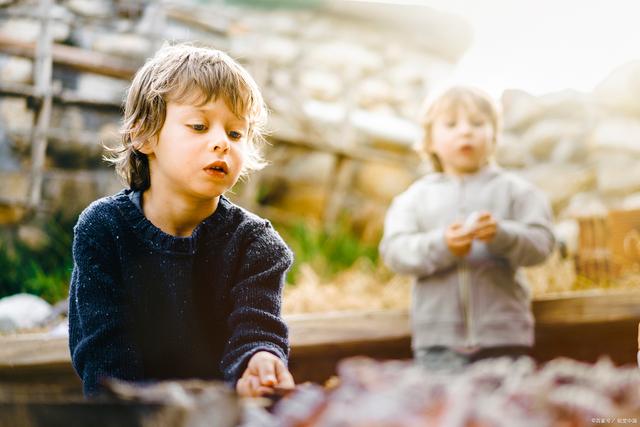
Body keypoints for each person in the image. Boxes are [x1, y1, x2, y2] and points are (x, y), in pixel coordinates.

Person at [68, 43, 295, 397]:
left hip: (223, 415)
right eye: (199, 126)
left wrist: (261, 359)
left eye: (235, 133)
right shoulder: (103, 230)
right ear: (144, 134)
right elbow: (104, 357)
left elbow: (256, 328)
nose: (222, 143)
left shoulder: (256, 245)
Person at [379, 86, 555, 371]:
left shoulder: (518, 191)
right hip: (438, 341)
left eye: (477, 123)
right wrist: (442, 245)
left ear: (494, 135)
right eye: (451, 125)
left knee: (508, 411)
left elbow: (543, 244)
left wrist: (503, 235)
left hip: (505, 336)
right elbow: (395, 252)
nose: (465, 132)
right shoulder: (413, 198)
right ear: (429, 141)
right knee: (447, 413)